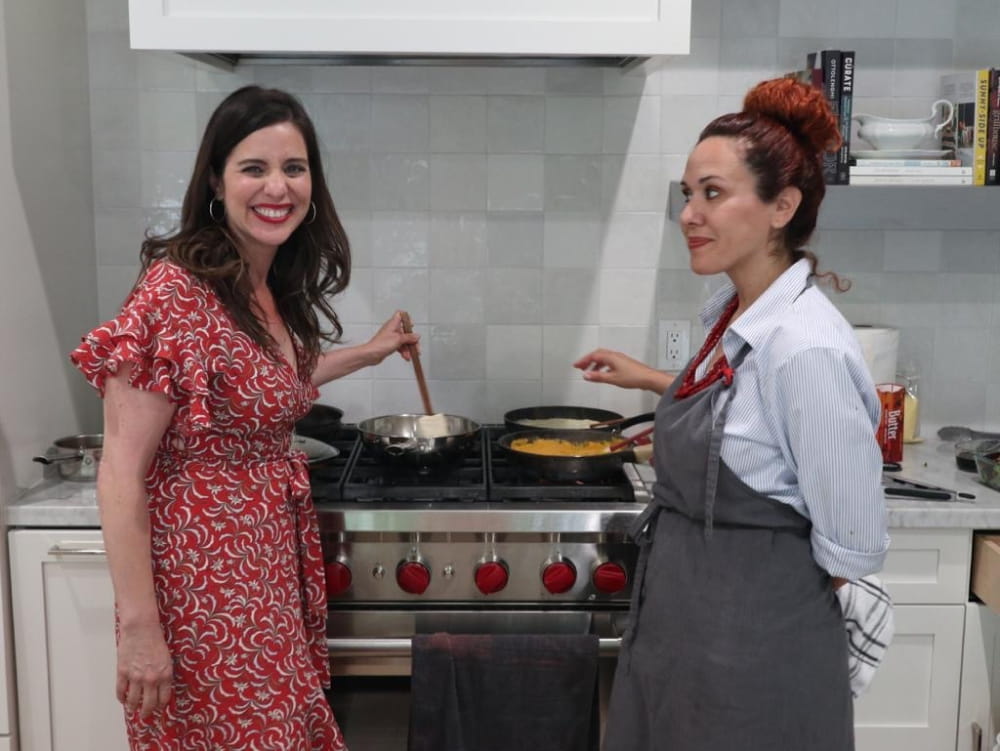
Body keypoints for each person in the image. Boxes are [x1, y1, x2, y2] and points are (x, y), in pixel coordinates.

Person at [70, 85, 418, 750]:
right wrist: (142, 626)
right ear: (214, 182)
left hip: (264, 574)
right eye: (253, 168)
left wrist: (371, 352)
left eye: (294, 167)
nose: (277, 187)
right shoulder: (175, 292)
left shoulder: (263, 286)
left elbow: (262, 390)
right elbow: (118, 470)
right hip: (200, 588)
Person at [573, 77, 889, 750]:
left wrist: (747, 607)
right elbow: (746, 417)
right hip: (680, 638)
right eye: (688, 194)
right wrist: (661, 393)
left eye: (712, 194)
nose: (689, 213)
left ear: (782, 206)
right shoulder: (733, 312)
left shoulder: (807, 346)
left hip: (755, 666)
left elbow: (853, 545)